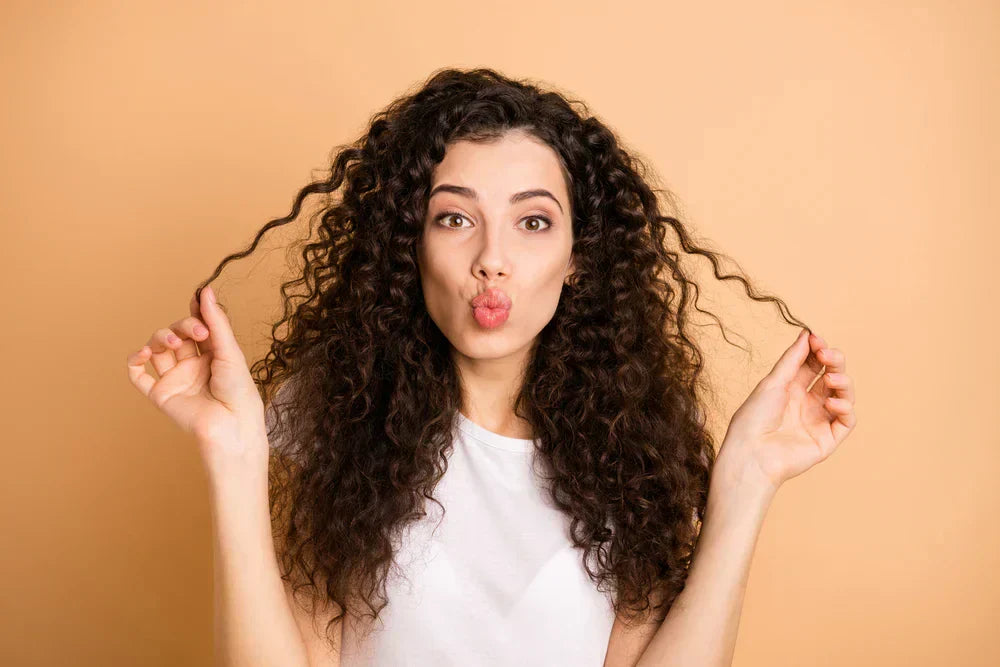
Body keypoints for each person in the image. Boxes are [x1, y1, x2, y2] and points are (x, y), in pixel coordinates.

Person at [125, 67, 857, 667]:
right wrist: (233, 457)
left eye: (533, 221)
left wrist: (746, 482)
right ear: (409, 246)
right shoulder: (339, 422)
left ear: (578, 258)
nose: (492, 259)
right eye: (454, 217)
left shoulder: (632, 452)